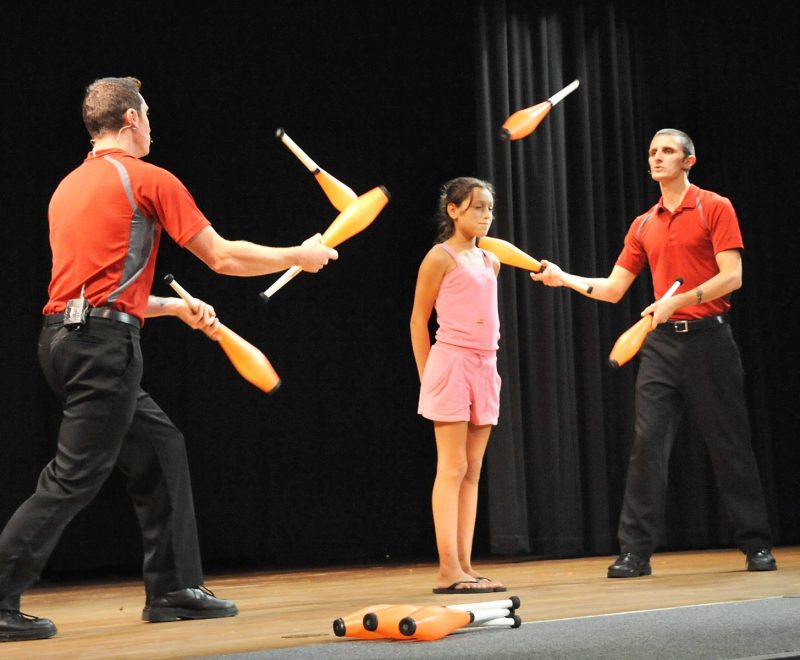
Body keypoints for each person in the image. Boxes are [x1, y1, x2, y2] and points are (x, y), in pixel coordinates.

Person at [0, 76, 338, 642]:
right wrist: (298, 256)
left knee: (160, 447)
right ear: (130, 119)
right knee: (72, 478)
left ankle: (175, 589)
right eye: (148, 114)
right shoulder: (148, 179)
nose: (153, 124)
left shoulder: (68, 187)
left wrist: (173, 310)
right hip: (102, 349)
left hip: (63, 341)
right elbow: (223, 257)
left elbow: (95, 291)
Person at [531, 128, 776, 578]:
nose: (657, 158)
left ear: (689, 161)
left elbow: (733, 276)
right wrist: (564, 277)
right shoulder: (644, 224)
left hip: (709, 339)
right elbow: (614, 287)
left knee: (730, 445)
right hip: (661, 346)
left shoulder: (714, 206)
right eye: (652, 153)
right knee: (647, 447)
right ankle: (635, 553)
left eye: (667, 151)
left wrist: (678, 301)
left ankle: (757, 545)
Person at [410, 177, 507, 594]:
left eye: (489, 208)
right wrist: (426, 375)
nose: (485, 215)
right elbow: (418, 320)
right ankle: (447, 569)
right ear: (453, 210)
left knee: (472, 471)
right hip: (450, 364)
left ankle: (465, 567)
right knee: (451, 468)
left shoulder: (489, 261)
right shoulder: (440, 257)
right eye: (476, 208)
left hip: (486, 367)